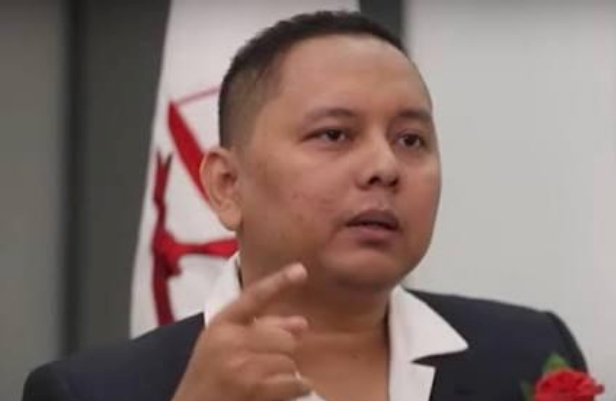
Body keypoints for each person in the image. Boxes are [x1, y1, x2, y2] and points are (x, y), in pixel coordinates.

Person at [22, 10, 587, 401]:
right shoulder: (92, 392)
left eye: (411, 139)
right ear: (226, 185)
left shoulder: (529, 350)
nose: (385, 166)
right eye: (334, 135)